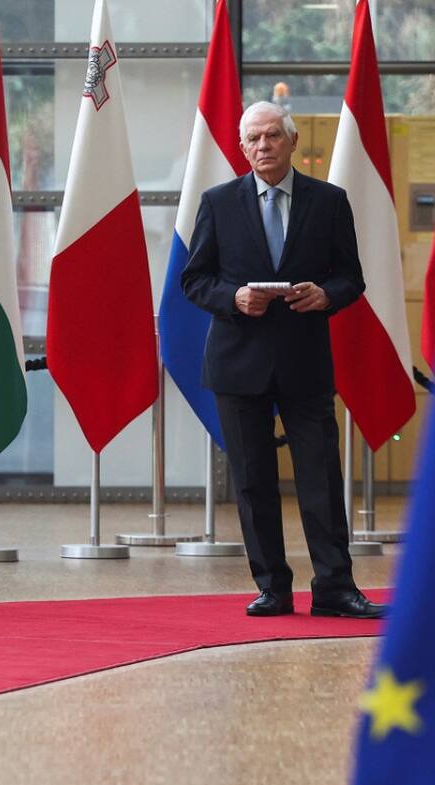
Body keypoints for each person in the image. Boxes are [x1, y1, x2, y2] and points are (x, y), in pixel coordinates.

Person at [180, 101, 385, 619]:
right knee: (253, 483)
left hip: (304, 363)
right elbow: (195, 280)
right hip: (237, 362)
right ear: (242, 147)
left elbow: (351, 277)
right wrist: (234, 299)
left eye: (273, 135)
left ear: (293, 142)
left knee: (319, 479)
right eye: (254, 138)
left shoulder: (329, 201)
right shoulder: (218, 202)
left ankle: (335, 588)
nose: (264, 146)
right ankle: (273, 588)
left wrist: (327, 295)